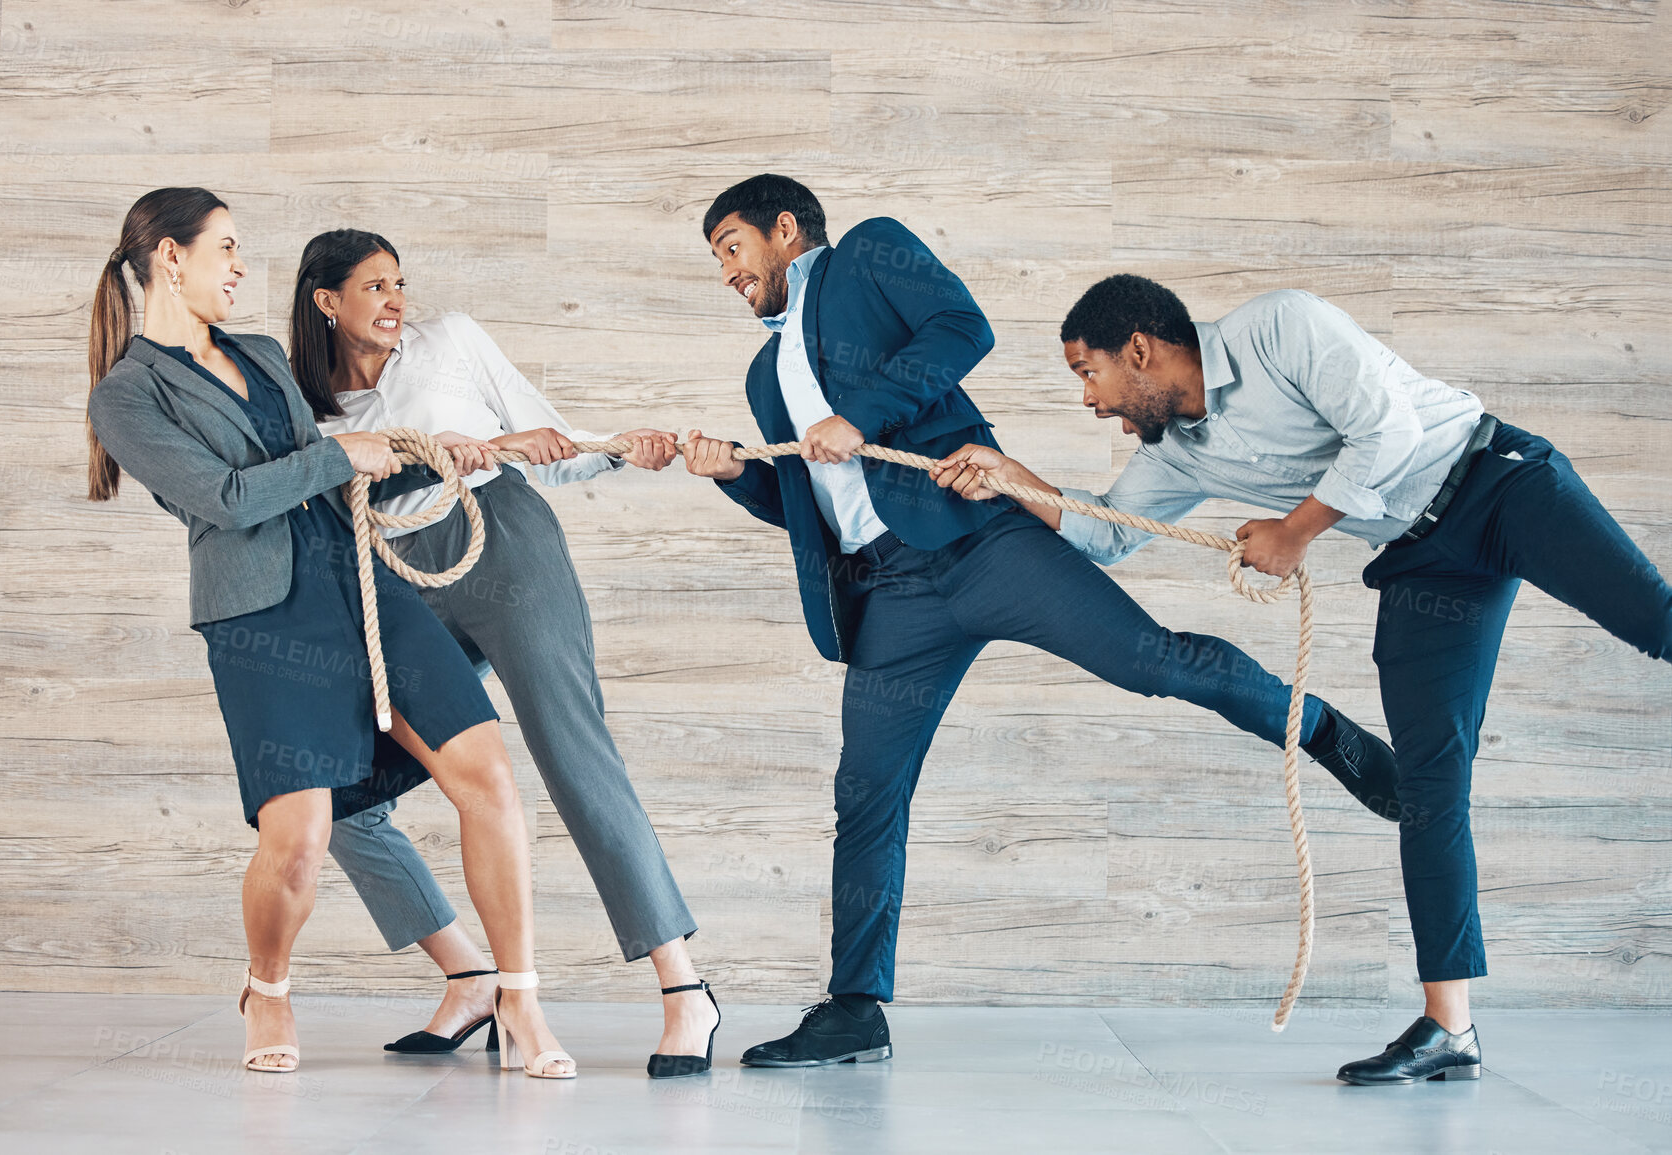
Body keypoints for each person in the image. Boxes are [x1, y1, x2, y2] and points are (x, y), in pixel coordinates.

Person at [678, 175, 1401, 1068]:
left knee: (1152, 660)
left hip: (982, 538)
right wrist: (732, 473)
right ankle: (856, 1007)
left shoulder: (866, 254)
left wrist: (856, 415)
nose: (725, 273)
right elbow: (806, 497)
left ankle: (1323, 729)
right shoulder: (763, 374)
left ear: (783, 230)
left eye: (730, 248)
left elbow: (960, 327)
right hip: (890, 593)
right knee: (864, 795)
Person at [931, 274, 1672, 1084]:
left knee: (1655, 623)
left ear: (1138, 349)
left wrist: (1291, 532)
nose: (1089, 399)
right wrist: (1009, 475)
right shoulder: (1176, 450)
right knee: (1426, 785)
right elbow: (1106, 533)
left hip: (1498, 481)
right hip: (1423, 562)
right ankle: (1448, 1028)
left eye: (1087, 371)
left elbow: (1383, 432)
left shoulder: (1280, 327)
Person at [85, 188, 573, 1079]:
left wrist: (437, 451)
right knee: (301, 838)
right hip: (262, 615)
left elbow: (330, 486)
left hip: (362, 580)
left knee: (489, 777)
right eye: (225, 248)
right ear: (169, 258)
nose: (238, 266)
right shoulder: (124, 397)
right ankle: (266, 985)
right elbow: (228, 501)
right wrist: (345, 452)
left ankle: (519, 996)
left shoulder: (263, 354)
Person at [292, 228, 720, 1077]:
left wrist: (616, 447)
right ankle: (469, 979)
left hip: (507, 548)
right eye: (372, 286)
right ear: (325, 302)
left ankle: (684, 988)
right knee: (332, 788)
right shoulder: (314, 409)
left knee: (571, 754)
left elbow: (548, 443)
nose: (393, 300)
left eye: (399, 283)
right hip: (401, 580)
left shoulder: (450, 341)